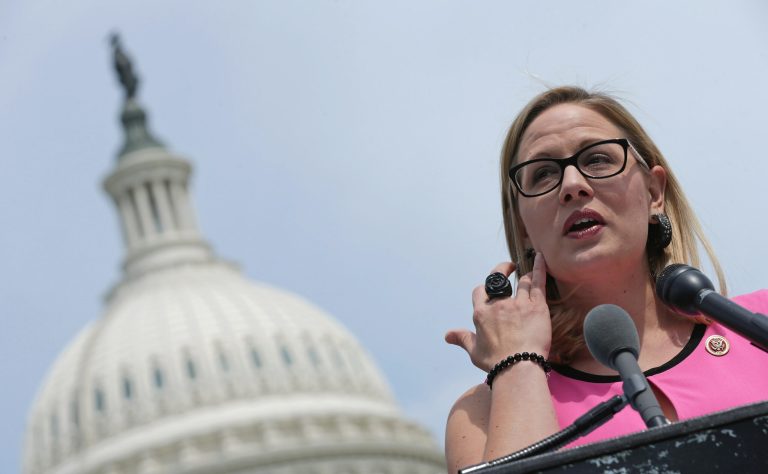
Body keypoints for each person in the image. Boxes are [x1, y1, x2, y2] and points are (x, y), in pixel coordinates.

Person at [444, 86, 768, 473]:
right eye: (544, 173)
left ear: (654, 192)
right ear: (523, 227)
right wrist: (518, 365)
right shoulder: (482, 414)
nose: (571, 186)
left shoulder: (759, 325)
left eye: (597, 159)